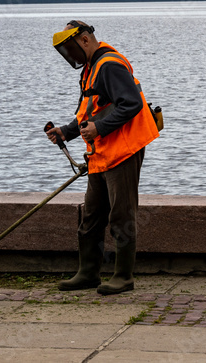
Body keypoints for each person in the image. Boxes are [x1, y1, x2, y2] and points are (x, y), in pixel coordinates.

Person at [45, 20, 159, 295]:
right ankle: (88, 273)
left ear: (85, 40)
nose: (70, 56)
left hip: (123, 151)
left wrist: (101, 128)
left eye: (71, 48)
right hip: (101, 153)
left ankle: (123, 277)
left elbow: (132, 104)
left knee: (122, 215)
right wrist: (66, 133)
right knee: (92, 216)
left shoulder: (109, 65)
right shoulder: (91, 68)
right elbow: (91, 111)